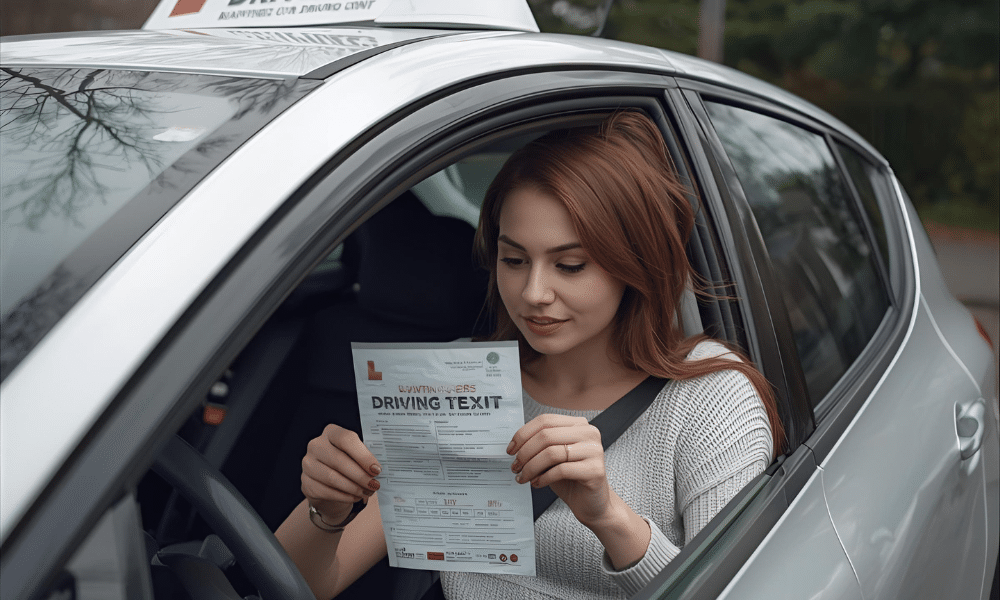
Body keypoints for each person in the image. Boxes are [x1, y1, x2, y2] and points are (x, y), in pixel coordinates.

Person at [275, 110, 785, 599]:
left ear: (635, 264)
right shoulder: (455, 380)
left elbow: (736, 585)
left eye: (570, 265)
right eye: (514, 259)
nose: (533, 292)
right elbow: (313, 582)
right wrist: (327, 510)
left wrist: (609, 517)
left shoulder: (709, 399)